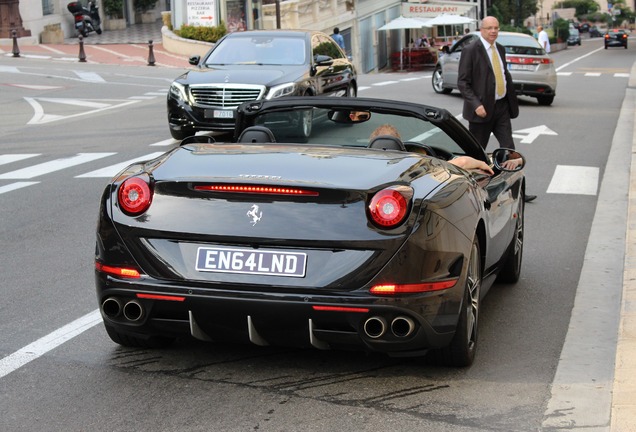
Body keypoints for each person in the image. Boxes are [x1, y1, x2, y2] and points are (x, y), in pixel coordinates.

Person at [457, 16, 536, 202]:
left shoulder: (499, 49)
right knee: (476, 154)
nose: (493, 31)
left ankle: (516, 193)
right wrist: (476, 105)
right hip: (481, 111)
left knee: (509, 150)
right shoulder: (470, 50)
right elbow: (462, 82)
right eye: (490, 28)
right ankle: (468, 195)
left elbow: (502, 75)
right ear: (481, 29)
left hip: (501, 108)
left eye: (496, 28)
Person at [369, 124, 495, 175]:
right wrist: (482, 163)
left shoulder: (358, 165)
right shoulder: (414, 170)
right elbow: (462, 163)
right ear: (401, 147)